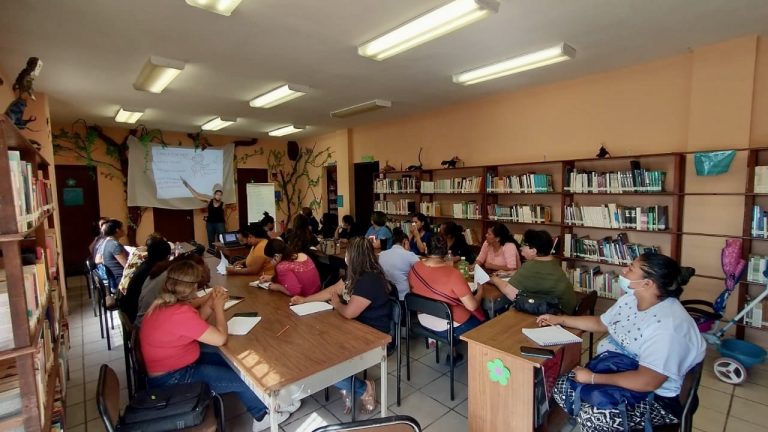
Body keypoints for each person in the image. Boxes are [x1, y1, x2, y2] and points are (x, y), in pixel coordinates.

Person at [538, 253, 706, 430]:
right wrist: (562, 320)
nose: (624, 270)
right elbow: (602, 323)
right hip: (617, 369)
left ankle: (582, 415)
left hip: (655, 397)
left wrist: (593, 378)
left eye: (631, 268)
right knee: (563, 385)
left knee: (594, 416)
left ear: (648, 284)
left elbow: (647, 381)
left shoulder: (669, 327)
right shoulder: (631, 299)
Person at [139, 260, 290, 431]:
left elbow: (195, 324)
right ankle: (263, 416)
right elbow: (220, 339)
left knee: (233, 362)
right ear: (192, 287)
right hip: (173, 379)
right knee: (241, 379)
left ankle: (271, 397)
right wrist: (219, 307)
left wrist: (210, 304)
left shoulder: (165, 304)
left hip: (173, 369)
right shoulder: (179, 313)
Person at [289, 237, 389, 415]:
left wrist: (336, 304)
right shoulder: (354, 274)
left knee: (323, 359)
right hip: (353, 326)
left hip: (372, 333)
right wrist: (305, 300)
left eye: (348, 252)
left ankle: (361, 388)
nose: (346, 255)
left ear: (355, 256)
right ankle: (348, 384)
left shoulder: (369, 279)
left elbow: (350, 312)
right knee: (314, 346)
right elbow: (331, 291)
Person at [408, 235, 485, 362]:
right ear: (446, 251)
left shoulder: (414, 268)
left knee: (447, 307)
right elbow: (472, 306)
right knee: (483, 319)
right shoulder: (453, 274)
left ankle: (453, 352)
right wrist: (480, 291)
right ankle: (478, 360)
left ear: (426, 249)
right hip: (449, 327)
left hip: (423, 319)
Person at [488, 229, 578, 314]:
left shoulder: (530, 266)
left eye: (524, 244)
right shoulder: (551, 260)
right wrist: (511, 272)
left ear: (533, 251)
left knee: (513, 308)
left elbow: (509, 291)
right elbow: (539, 274)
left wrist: (494, 279)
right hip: (569, 307)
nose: (521, 247)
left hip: (560, 313)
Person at [136, 252, 211, 326]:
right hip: (147, 325)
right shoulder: (170, 279)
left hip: (145, 321)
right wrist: (206, 298)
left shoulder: (167, 270)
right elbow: (182, 307)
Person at [120, 235, 172, 323]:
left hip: (129, 310)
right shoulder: (155, 271)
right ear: (167, 256)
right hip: (137, 316)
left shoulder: (146, 264)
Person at [182, 179, 226, 248]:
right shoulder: (209, 201)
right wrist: (188, 186)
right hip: (210, 224)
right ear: (214, 195)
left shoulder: (223, 204)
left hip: (220, 224)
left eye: (220, 195)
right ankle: (212, 253)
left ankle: (221, 254)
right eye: (217, 194)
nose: (218, 196)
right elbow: (197, 196)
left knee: (222, 239)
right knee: (211, 240)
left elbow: (224, 215)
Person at [379, 227, 419, 301]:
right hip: (404, 298)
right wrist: (407, 251)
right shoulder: (409, 255)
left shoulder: (382, 254)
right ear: (405, 242)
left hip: (387, 295)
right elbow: (421, 269)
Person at [94, 219, 128, 291]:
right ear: (117, 230)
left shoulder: (107, 242)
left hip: (114, 279)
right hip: (121, 281)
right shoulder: (115, 245)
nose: (124, 229)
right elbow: (127, 266)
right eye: (122, 228)